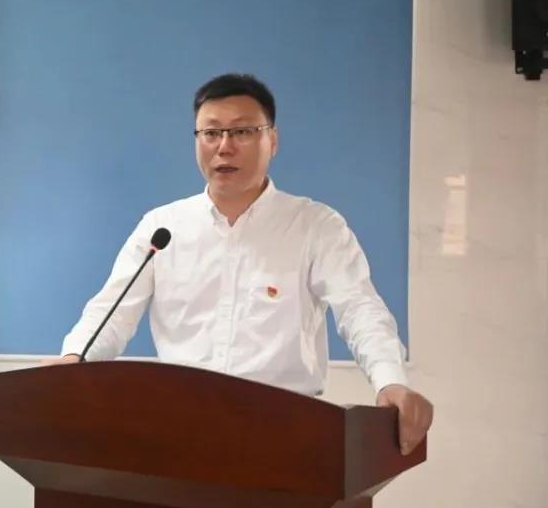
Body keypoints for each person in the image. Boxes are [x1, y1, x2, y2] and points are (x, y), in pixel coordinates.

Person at [50, 73, 433, 455]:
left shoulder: (316, 226)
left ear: (272, 140)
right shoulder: (162, 227)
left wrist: (390, 380)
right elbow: (113, 311)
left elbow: (359, 308)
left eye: (243, 132)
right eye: (211, 133)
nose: (224, 146)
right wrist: (74, 359)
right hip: (177, 432)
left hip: (285, 434)